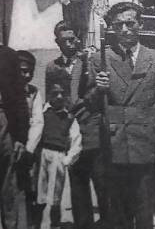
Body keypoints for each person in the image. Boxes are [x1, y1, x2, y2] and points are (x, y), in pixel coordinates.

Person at [85, 2, 155, 229]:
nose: (124, 29)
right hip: (112, 147)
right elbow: (88, 107)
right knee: (118, 214)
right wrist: (97, 88)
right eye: (118, 25)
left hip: (145, 145)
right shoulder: (100, 60)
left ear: (140, 25)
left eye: (130, 23)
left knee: (144, 211)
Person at [45, 20, 110, 229]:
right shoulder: (52, 67)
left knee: (102, 185)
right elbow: (52, 100)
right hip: (70, 136)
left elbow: (100, 95)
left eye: (73, 39)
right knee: (78, 188)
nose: (70, 44)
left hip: (93, 133)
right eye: (65, 41)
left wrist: (81, 104)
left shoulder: (91, 62)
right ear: (57, 42)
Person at [26, 78, 82, 229]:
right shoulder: (42, 113)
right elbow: (34, 131)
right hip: (42, 155)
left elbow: (76, 141)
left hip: (58, 156)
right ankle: (35, 224)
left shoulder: (70, 118)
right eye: (54, 93)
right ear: (49, 95)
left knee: (55, 197)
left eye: (61, 94)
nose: (58, 97)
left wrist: (68, 158)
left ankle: (55, 225)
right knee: (39, 194)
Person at [0, 44, 29, 229]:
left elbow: (19, 97)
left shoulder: (7, 55)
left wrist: (20, 137)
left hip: (3, 121)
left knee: (8, 185)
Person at [16, 50, 42, 229]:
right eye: (22, 71)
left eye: (29, 72)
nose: (26, 75)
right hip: (10, 148)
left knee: (30, 191)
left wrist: (29, 148)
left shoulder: (33, 93)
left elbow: (38, 121)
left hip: (28, 151)